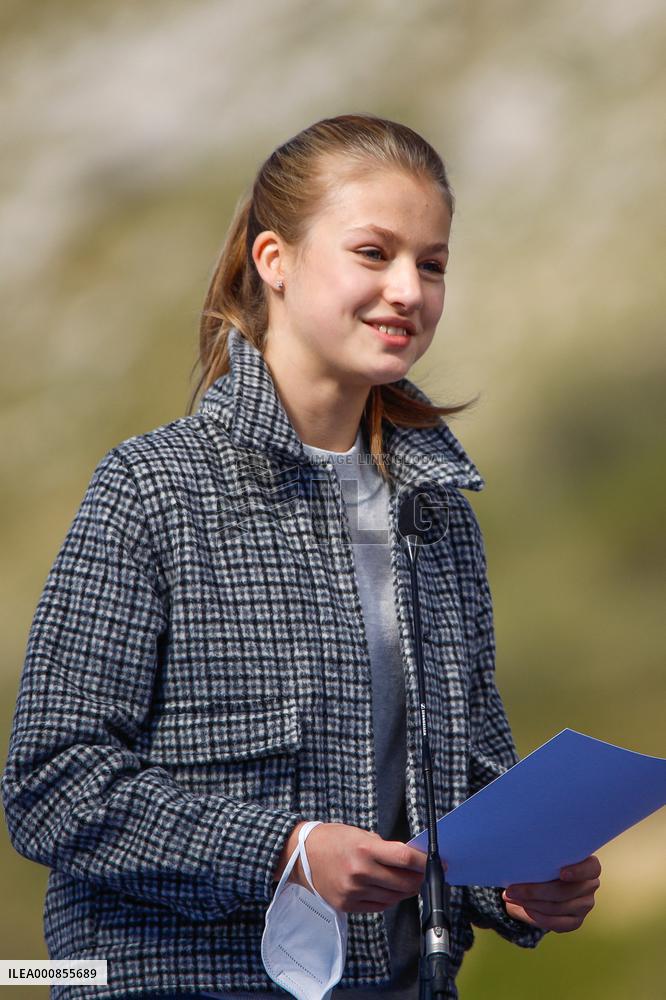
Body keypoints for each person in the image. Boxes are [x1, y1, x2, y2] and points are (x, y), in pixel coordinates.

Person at [2, 114, 601, 1000]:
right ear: (273, 261)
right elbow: (50, 784)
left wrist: (519, 883)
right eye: (374, 252)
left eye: (432, 264)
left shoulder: (440, 515)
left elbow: (463, 794)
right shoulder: (152, 487)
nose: (409, 289)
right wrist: (285, 852)